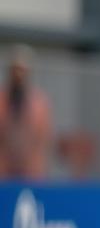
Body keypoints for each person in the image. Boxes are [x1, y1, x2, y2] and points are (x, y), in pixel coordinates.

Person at [0, 45, 53, 179]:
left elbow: (43, 139)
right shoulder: (2, 101)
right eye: (15, 70)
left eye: (22, 70)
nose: (19, 75)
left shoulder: (40, 104)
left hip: (31, 174)